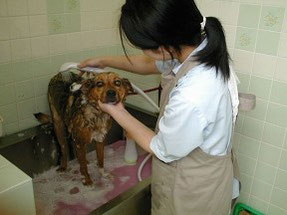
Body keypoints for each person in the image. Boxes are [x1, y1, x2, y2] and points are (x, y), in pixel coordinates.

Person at [80, 0, 240, 214]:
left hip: (193, 192)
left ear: (163, 45)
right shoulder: (198, 47)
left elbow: (161, 148)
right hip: (202, 172)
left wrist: (115, 110)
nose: (144, 52)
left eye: (143, 46)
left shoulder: (194, 92)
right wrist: (104, 61)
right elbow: (148, 64)